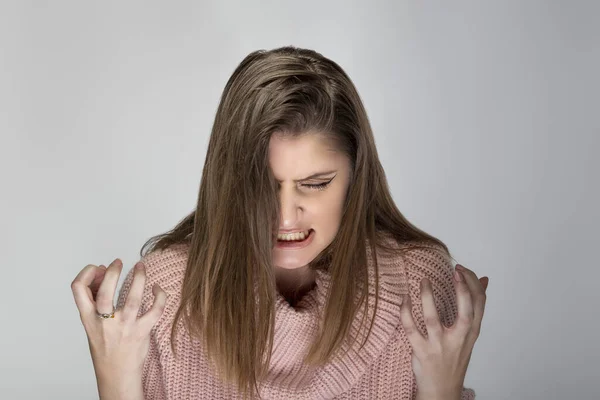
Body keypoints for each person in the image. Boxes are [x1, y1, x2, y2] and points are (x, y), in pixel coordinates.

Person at [71, 46, 489, 400]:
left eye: (315, 184)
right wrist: (116, 382)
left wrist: (442, 391)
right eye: (263, 187)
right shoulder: (160, 297)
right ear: (228, 182)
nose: (286, 216)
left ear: (356, 177)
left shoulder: (421, 291)